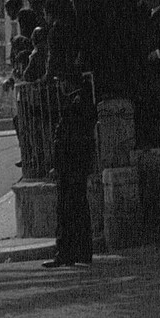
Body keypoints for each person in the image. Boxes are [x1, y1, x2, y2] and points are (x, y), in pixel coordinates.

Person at [43, 82, 97, 269]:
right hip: (78, 165)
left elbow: (64, 141)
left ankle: (65, 253)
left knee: (66, 210)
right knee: (79, 207)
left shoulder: (72, 107)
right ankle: (82, 252)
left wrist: (57, 166)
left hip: (69, 167)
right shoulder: (82, 103)